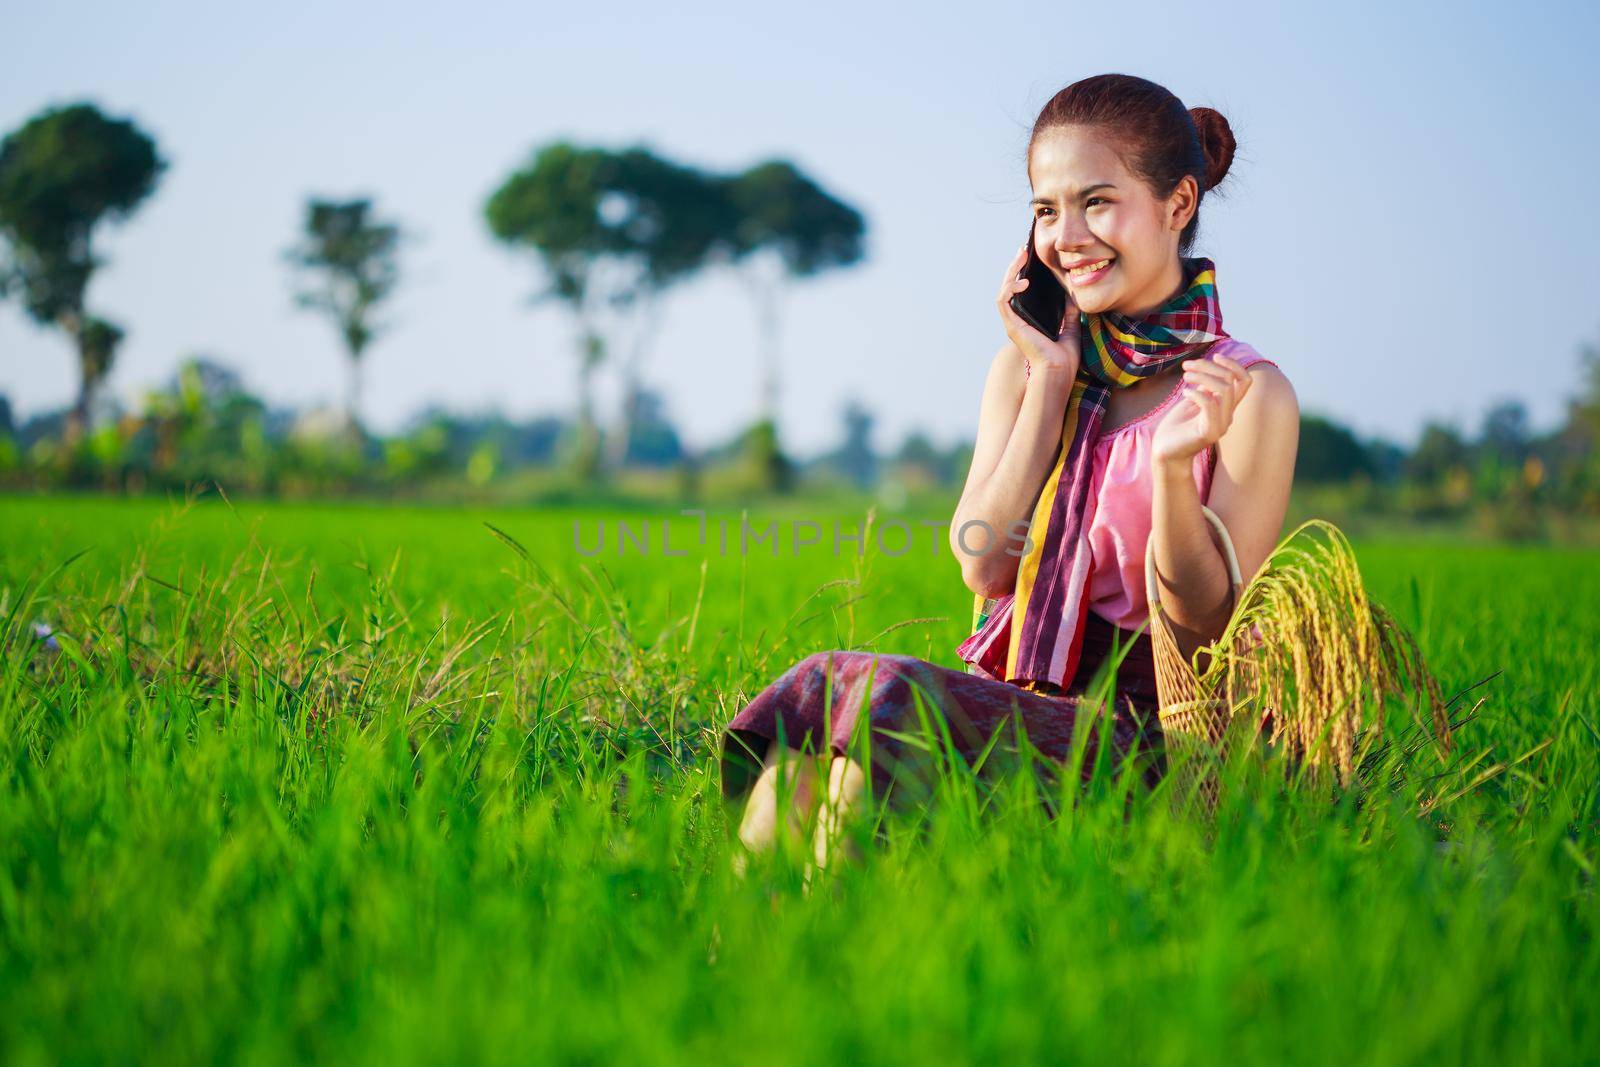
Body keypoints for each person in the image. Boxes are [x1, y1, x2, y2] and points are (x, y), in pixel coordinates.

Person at [720, 73, 1300, 877]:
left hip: (1152, 735)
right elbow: (984, 561)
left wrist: (1172, 469)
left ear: (1177, 204)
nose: (1067, 237)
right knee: (819, 760)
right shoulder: (1027, 370)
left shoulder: (1247, 393)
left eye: (1097, 202)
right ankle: (745, 966)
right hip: (1014, 697)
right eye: (1045, 210)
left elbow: (1205, 630)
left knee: (872, 694)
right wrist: (1050, 383)